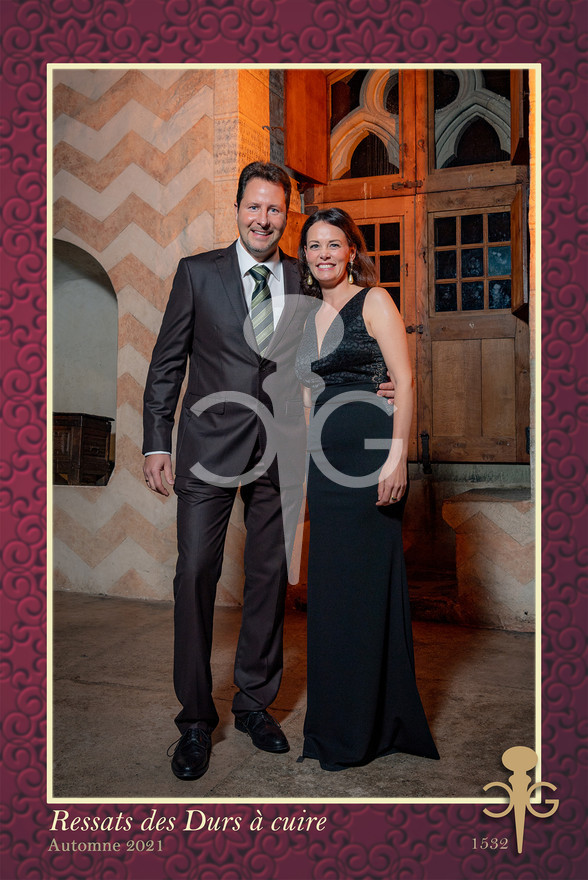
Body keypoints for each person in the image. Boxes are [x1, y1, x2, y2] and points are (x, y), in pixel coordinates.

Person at [142, 162, 313, 780]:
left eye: (274, 210)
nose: (263, 219)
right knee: (194, 574)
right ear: (237, 208)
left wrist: (376, 379)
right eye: (254, 207)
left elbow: (321, 352)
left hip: (281, 448)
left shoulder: (302, 276)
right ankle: (194, 719)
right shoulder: (198, 273)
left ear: (286, 214)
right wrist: (156, 443)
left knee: (268, 577)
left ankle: (253, 705)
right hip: (208, 445)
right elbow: (167, 363)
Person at [295, 207, 439, 771]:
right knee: (331, 593)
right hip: (325, 462)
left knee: (367, 588)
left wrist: (397, 460)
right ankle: (334, 726)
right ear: (305, 256)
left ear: (351, 250)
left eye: (333, 243)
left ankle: (373, 725)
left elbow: (404, 380)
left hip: (371, 457)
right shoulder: (305, 314)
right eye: (314, 245)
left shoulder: (374, 300)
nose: (324, 254)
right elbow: (306, 395)